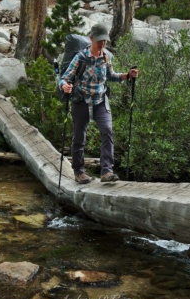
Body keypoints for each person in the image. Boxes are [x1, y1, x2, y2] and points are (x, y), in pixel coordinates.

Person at [59, 24, 139, 184]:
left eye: (105, 41)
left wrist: (128, 75)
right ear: (91, 39)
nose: (103, 44)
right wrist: (65, 86)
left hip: (101, 101)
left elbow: (111, 76)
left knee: (107, 130)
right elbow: (65, 77)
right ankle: (79, 171)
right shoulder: (80, 58)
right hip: (81, 100)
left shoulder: (105, 57)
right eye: (100, 40)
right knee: (79, 136)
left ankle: (107, 172)